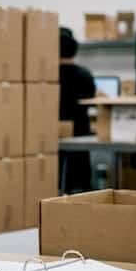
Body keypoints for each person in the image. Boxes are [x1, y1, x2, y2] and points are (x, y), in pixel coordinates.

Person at [59, 27, 96, 191]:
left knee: (54, 182)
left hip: (56, 134)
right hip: (81, 133)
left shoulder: (49, 76)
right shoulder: (85, 74)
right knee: (80, 185)